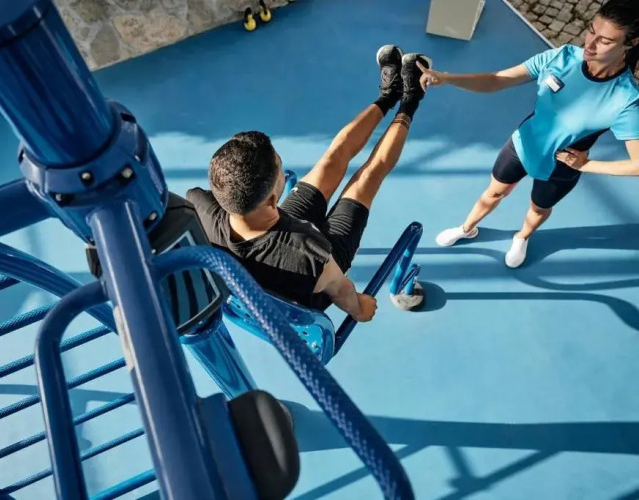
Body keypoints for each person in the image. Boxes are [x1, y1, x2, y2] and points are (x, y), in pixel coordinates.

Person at [186, 45, 431, 322]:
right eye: (280, 168)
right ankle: (411, 100)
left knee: (331, 160)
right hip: (317, 266)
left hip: (276, 236)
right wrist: (361, 309)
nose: (283, 169)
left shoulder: (197, 205)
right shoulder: (310, 253)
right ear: (272, 198)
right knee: (367, 176)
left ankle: (389, 95)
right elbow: (342, 291)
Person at [424, 0, 639, 268]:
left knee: (538, 209)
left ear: (631, 43)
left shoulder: (626, 99)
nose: (590, 44)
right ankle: (467, 228)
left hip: (560, 167)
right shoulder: (561, 57)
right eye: (591, 31)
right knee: (493, 193)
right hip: (523, 144)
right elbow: (496, 80)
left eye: (605, 41)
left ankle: (522, 237)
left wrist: (587, 165)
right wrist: (448, 78)